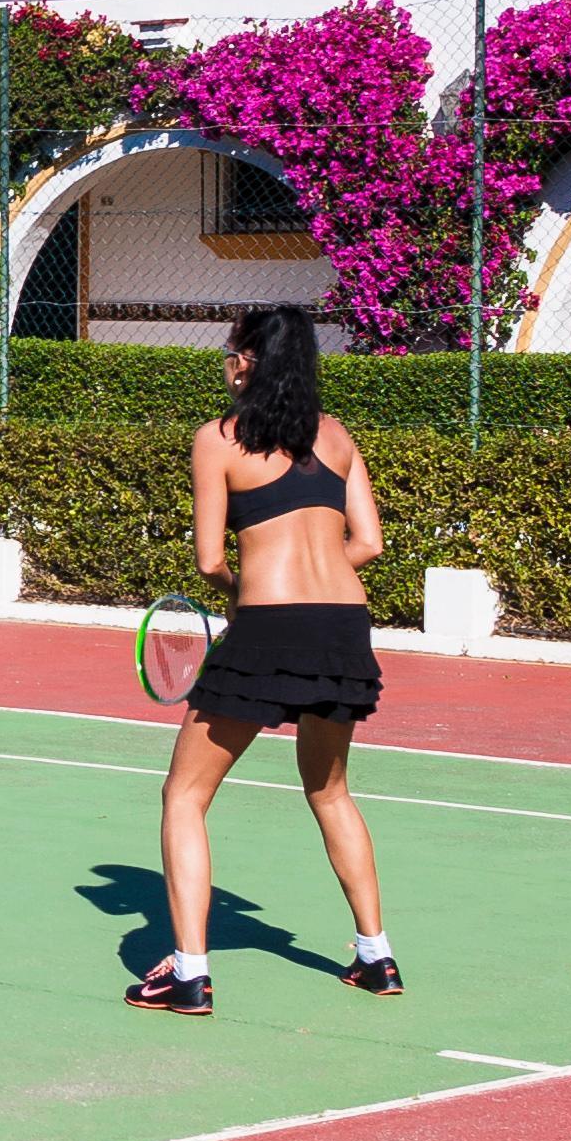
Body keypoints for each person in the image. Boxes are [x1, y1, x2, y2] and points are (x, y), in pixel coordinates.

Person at [128, 301, 399, 1015]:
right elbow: (368, 544)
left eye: (229, 352)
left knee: (185, 796)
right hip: (345, 624)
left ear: (247, 362)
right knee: (331, 791)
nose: (226, 362)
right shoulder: (337, 437)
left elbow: (212, 558)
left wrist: (255, 599)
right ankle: (377, 958)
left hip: (269, 624)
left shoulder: (218, 439)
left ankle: (188, 971)